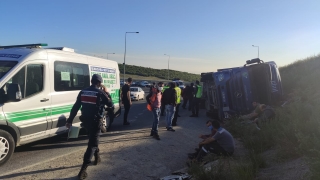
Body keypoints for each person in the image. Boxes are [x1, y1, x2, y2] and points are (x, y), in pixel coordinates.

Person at [65, 74, 113, 180]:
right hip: (96, 122)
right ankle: (83, 171)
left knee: (93, 140)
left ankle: (97, 158)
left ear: (91, 81)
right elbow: (111, 105)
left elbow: (76, 107)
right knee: (92, 144)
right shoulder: (101, 93)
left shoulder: (83, 91)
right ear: (99, 83)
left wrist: (69, 121)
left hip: (85, 121)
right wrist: (107, 92)